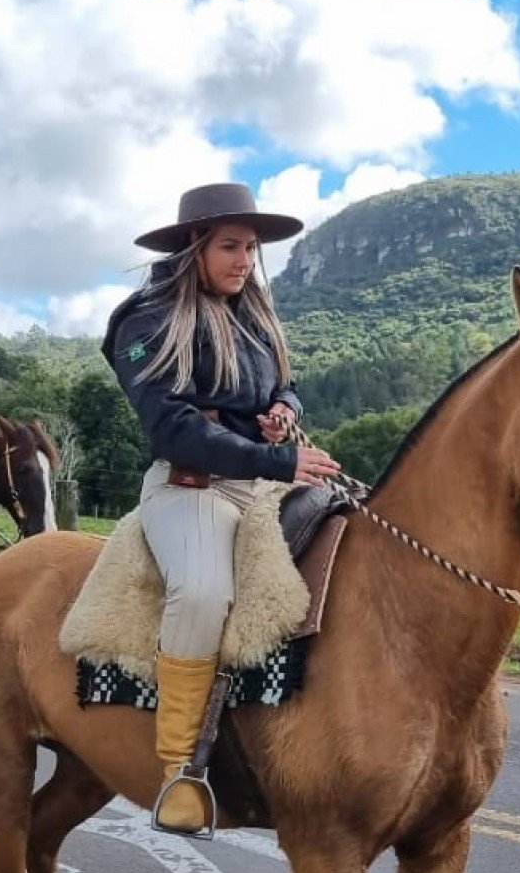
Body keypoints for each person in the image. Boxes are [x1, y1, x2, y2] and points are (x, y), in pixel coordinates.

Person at [104, 182, 342, 836]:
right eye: (231, 247)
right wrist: (278, 460)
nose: (245, 261)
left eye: (251, 248)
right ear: (193, 246)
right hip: (192, 486)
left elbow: (284, 384)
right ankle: (181, 770)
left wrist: (282, 413)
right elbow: (172, 429)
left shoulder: (254, 313)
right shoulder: (145, 321)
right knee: (204, 592)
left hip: (262, 480)